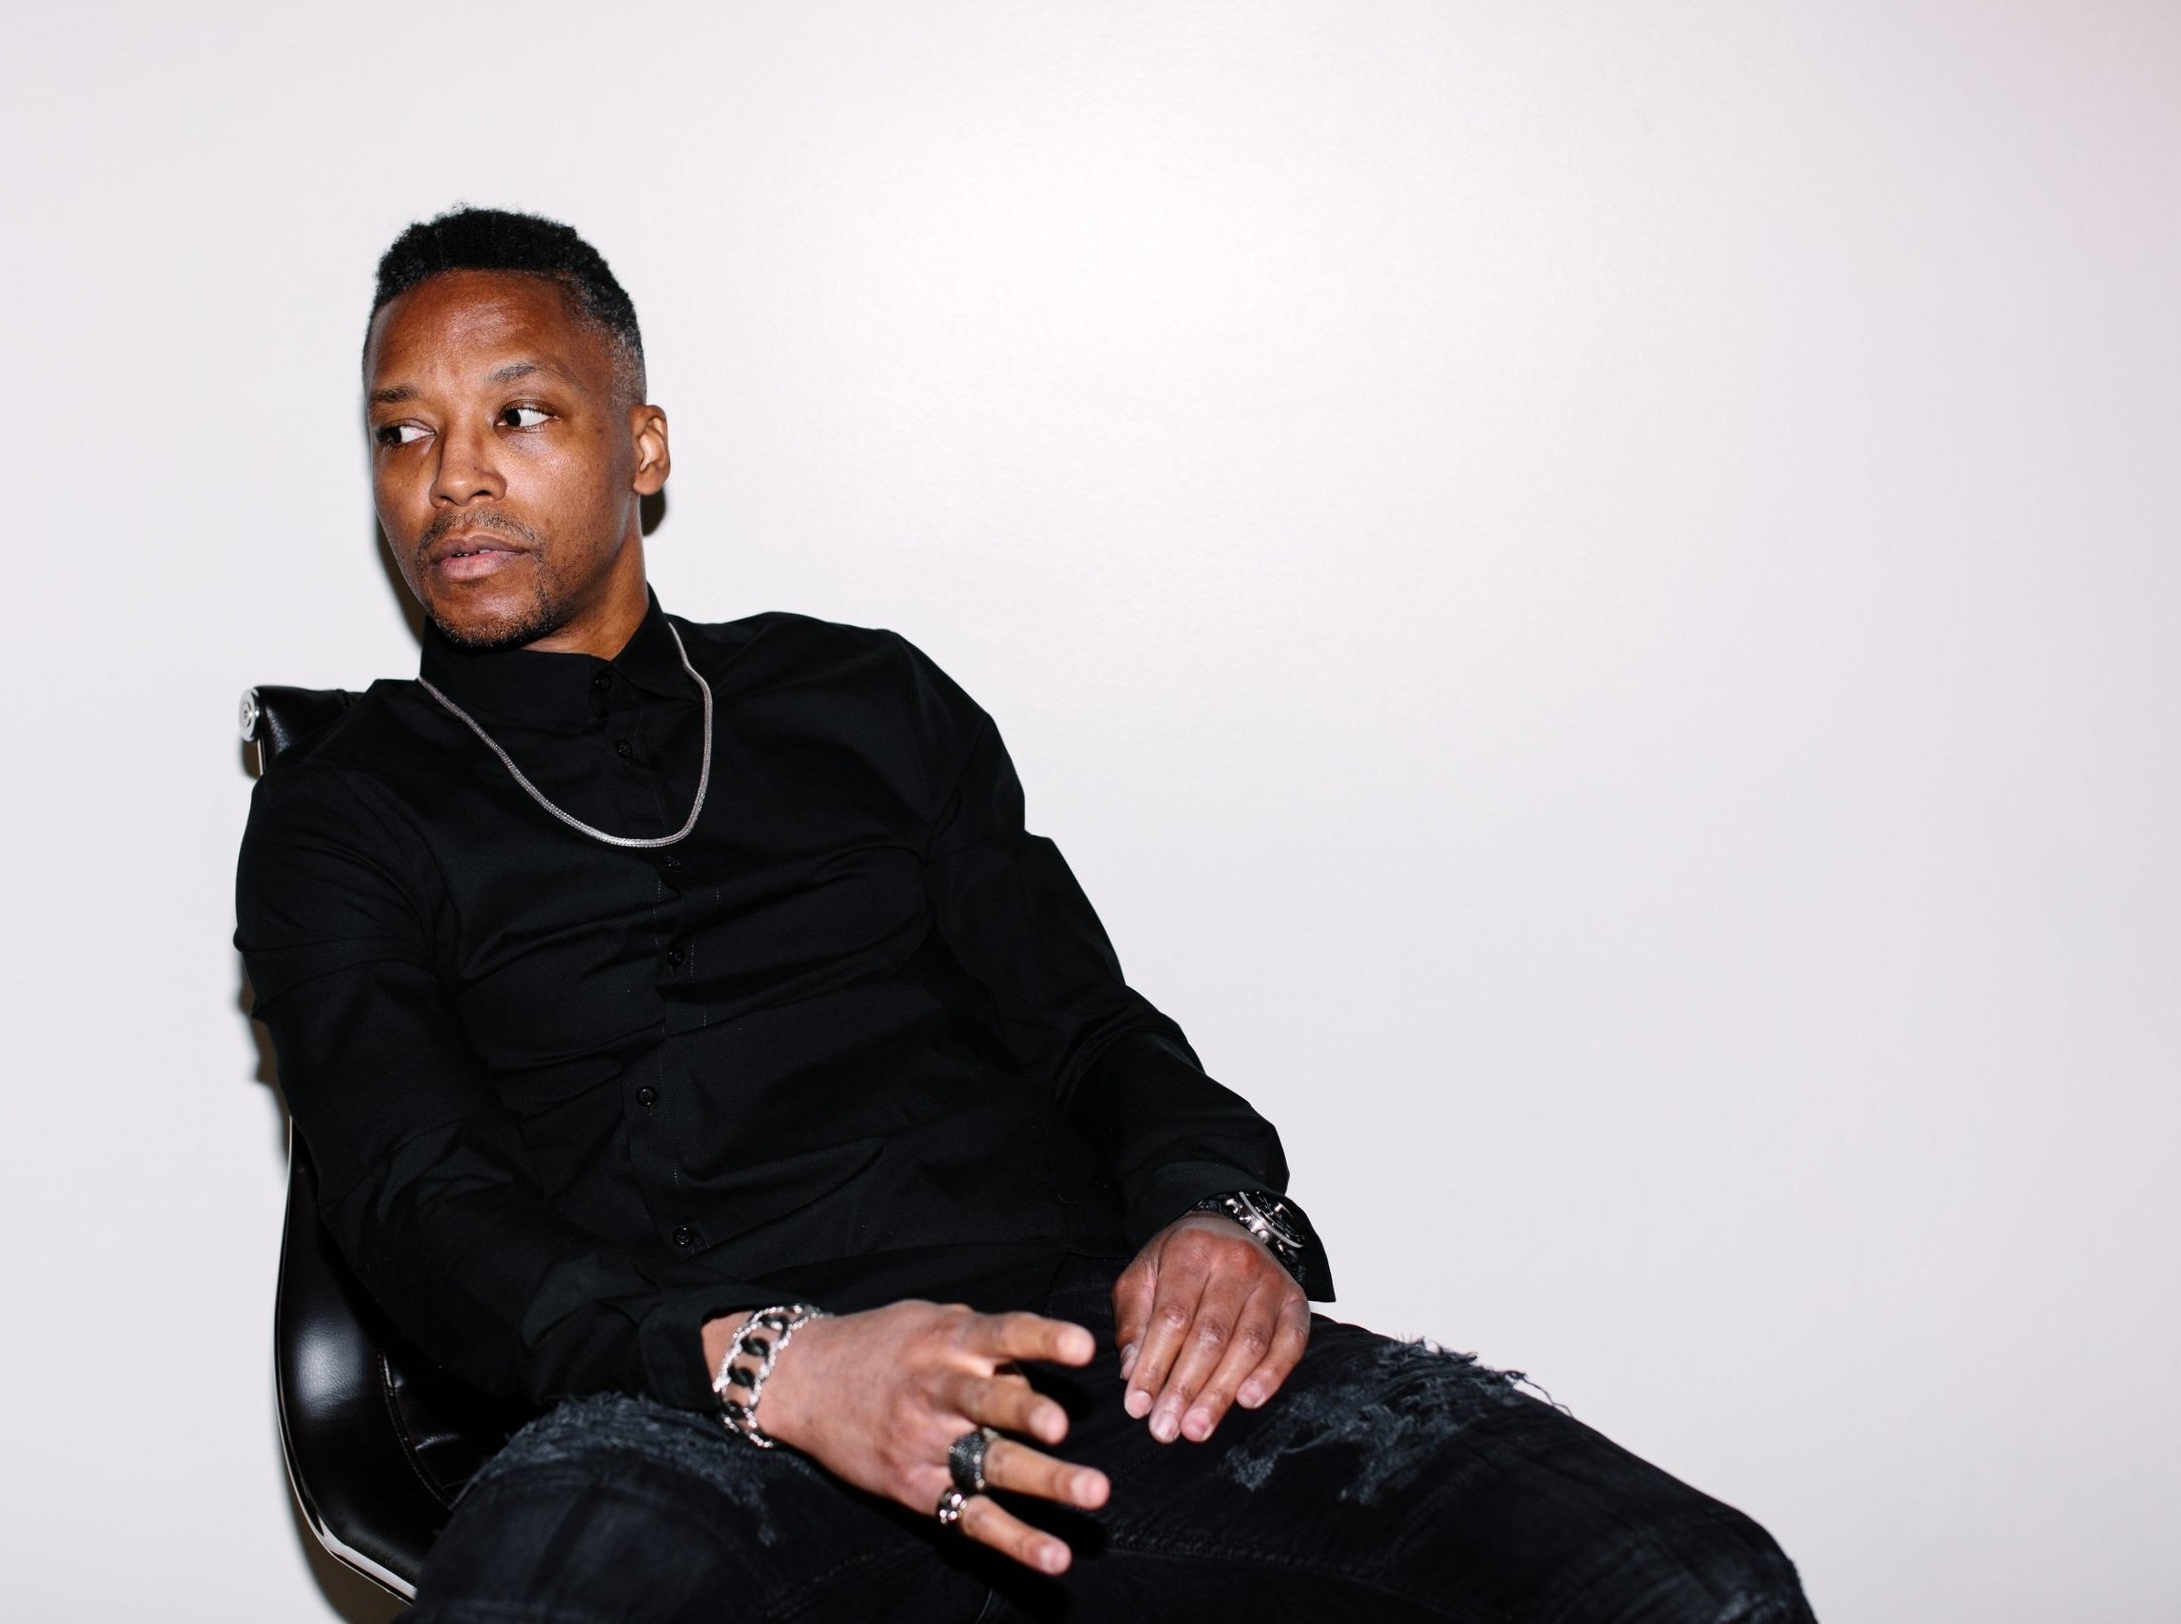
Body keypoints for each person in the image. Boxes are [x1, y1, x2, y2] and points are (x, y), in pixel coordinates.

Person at [236, 206, 1815, 1622]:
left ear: (641, 445)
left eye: (518, 413)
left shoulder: (863, 699)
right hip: (684, 1411)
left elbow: (1085, 1026)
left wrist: (1212, 1209)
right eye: (402, 434)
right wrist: (770, 1365)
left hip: (1070, 1362)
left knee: (1698, 1592)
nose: (454, 480)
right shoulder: (347, 805)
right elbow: (414, 1194)